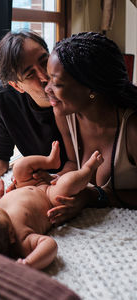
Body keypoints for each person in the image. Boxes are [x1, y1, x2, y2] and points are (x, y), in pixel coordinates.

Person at [0, 141, 103, 270]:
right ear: (11, 235)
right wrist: (30, 263)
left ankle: (50, 161)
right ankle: (89, 169)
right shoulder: (22, 239)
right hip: (49, 196)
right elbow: (49, 245)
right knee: (67, 184)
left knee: (20, 167)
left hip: (25, 184)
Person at [0, 30, 68, 214]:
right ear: (16, 86)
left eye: (44, 61)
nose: (45, 77)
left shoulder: (73, 81)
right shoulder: (3, 98)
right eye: (30, 74)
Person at [44, 32, 137, 226]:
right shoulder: (64, 113)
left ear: (92, 89)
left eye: (57, 83)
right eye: (49, 79)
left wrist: (94, 196)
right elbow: (72, 162)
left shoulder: (132, 130)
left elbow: (92, 193)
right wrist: (51, 181)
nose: (47, 89)